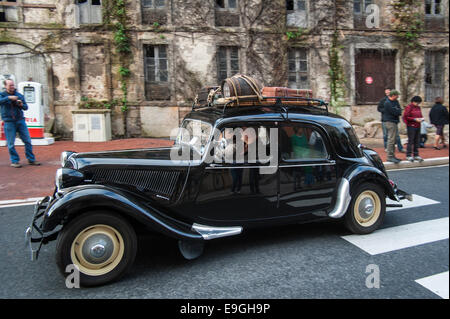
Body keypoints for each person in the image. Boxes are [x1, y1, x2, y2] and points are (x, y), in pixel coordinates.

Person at [0, 79, 40, 168]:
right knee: (11, 143)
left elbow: (26, 107)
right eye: (10, 85)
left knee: (28, 141)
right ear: (5, 86)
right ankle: (15, 161)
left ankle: (31, 159)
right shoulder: (2, 95)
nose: (12, 87)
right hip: (9, 121)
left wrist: (21, 104)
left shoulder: (19, 95)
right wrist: (9, 98)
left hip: (20, 121)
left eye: (13, 85)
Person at [378, 88, 405, 153]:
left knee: (396, 136)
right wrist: (386, 111)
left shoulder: (396, 101)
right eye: (386, 93)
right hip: (386, 120)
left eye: (388, 93)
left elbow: (399, 111)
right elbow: (379, 109)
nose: (387, 94)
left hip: (394, 120)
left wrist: (395, 111)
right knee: (386, 136)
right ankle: (387, 149)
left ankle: (400, 148)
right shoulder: (384, 101)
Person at [383, 90, 403, 163]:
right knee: (391, 139)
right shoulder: (387, 103)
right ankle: (390, 156)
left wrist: (397, 110)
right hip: (390, 122)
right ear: (393, 95)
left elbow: (399, 111)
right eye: (397, 95)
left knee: (393, 139)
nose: (398, 97)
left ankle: (393, 155)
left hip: (394, 121)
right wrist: (397, 110)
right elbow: (395, 112)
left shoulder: (395, 102)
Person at [402, 96, 424, 162]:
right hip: (411, 126)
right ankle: (408, 155)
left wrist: (421, 119)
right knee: (410, 141)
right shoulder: (409, 107)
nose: (417, 104)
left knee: (417, 141)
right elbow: (406, 116)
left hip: (418, 125)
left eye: (418, 103)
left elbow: (420, 115)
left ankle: (416, 154)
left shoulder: (418, 108)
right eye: (416, 102)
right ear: (413, 101)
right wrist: (414, 119)